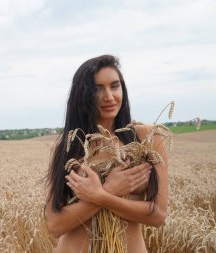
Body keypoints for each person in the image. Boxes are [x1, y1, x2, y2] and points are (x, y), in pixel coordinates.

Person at [45, 55, 168, 253]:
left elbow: (157, 215)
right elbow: (55, 225)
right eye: (97, 89)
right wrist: (111, 189)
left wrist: (101, 195)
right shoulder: (67, 146)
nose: (109, 96)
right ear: (82, 95)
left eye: (114, 86)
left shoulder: (148, 138)